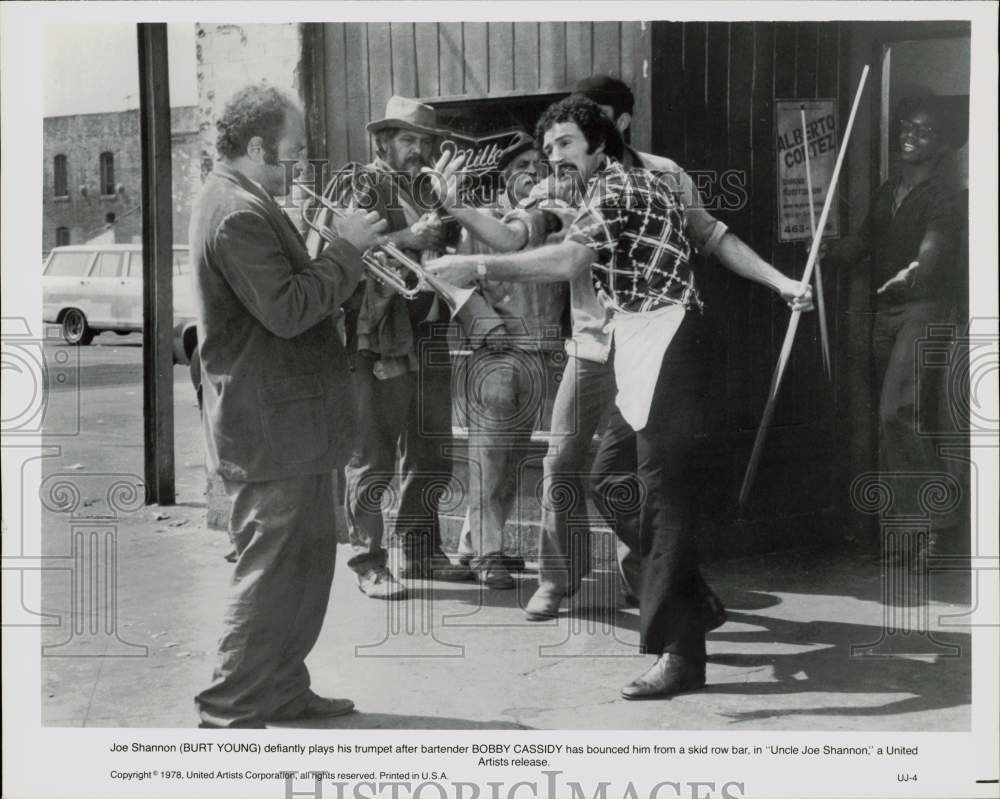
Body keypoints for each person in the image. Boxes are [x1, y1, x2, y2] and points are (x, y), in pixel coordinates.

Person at [428, 96, 812, 699]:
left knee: (662, 498)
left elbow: (568, 260)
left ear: (602, 145)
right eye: (548, 148)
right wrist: (465, 214)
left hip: (666, 342)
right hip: (629, 345)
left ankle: (680, 651)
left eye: (564, 146)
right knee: (611, 477)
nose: (553, 159)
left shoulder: (624, 188)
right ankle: (683, 587)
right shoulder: (593, 189)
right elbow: (527, 234)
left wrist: (472, 266)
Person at [191, 84, 387, 727]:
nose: (300, 167)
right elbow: (289, 309)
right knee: (271, 568)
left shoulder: (246, 199)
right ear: (255, 147)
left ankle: (280, 687)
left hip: (291, 422)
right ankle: (229, 707)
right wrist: (348, 250)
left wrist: (332, 256)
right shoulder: (237, 211)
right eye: (292, 153)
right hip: (270, 425)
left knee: (303, 566)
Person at [329, 96, 503, 599]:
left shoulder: (428, 188)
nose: (418, 149)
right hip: (376, 339)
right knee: (373, 455)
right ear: (383, 141)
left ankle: (421, 552)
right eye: (408, 139)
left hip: (428, 335)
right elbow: (339, 252)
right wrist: (411, 234)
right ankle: (368, 561)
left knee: (429, 451)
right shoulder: (359, 181)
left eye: (424, 141)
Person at [826, 95, 968, 554]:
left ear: (945, 145)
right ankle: (903, 529)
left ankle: (936, 528)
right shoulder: (890, 189)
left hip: (925, 311)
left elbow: (932, 253)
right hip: (886, 315)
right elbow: (860, 243)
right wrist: (819, 253)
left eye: (924, 132)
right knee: (891, 421)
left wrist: (910, 273)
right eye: (908, 126)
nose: (910, 136)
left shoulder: (949, 197)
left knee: (897, 412)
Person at [446, 131, 567, 588]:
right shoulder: (480, 224)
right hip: (496, 354)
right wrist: (485, 330)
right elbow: (453, 283)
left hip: (540, 351)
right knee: (489, 457)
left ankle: (470, 550)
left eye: (540, 164)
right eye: (522, 166)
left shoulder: (551, 220)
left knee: (512, 458)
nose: (533, 173)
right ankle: (489, 556)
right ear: (502, 174)